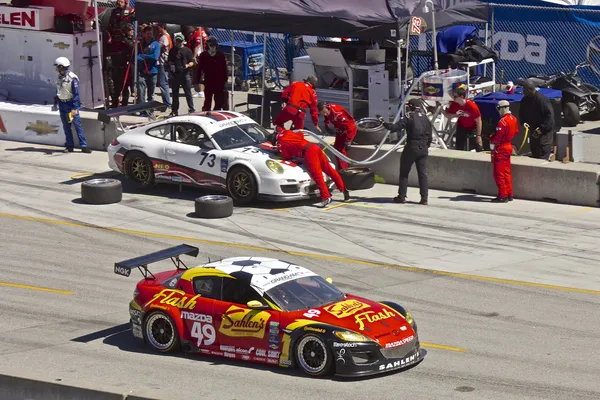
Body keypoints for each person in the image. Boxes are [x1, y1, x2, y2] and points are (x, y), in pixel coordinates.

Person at [273, 128, 349, 207]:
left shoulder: (281, 142)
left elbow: (287, 156)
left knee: (317, 175)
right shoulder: (287, 132)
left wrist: (280, 151)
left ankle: (326, 197)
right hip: (314, 147)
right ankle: (343, 189)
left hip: (308, 152)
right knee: (329, 169)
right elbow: (298, 135)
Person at [382, 98, 432, 204]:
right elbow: (430, 136)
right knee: (423, 174)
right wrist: (425, 146)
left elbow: (394, 127)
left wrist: (383, 122)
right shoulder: (425, 118)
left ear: (410, 107)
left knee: (404, 173)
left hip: (411, 147)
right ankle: (424, 198)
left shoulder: (409, 116)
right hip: (423, 148)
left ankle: (402, 197)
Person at [51, 57, 90, 154]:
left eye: (57, 67)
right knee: (66, 126)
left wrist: (74, 108)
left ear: (61, 66)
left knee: (77, 125)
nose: (56, 69)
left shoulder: (73, 78)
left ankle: (84, 146)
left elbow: (76, 94)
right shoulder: (59, 77)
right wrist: (55, 103)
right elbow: (58, 91)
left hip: (71, 104)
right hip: (62, 103)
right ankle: (69, 146)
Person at [489, 100, 519, 203]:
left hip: (501, 148)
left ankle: (503, 195)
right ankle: (509, 193)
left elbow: (497, 138)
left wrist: (490, 138)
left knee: (499, 174)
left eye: (498, 109)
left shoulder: (502, 122)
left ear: (502, 108)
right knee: (507, 172)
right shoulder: (513, 119)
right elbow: (516, 131)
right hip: (508, 146)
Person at [520, 79, 555, 160]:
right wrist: (523, 122)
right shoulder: (525, 100)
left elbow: (549, 116)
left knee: (543, 150)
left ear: (530, 90)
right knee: (534, 150)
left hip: (544, 131)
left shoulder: (541, 100)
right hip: (533, 129)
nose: (523, 92)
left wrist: (541, 128)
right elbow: (522, 112)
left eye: (525, 90)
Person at [318, 102, 356, 170]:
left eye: (325, 112)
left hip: (347, 130)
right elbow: (327, 117)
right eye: (323, 113)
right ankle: (341, 168)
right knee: (337, 149)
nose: (325, 114)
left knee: (340, 150)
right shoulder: (327, 110)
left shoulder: (338, 114)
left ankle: (344, 169)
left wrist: (348, 140)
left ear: (327, 108)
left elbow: (351, 126)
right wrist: (327, 126)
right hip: (339, 129)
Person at [443, 85, 482, 151]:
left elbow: (479, 121)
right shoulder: (455, 104)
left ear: (461, 97)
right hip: (461, 127)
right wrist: (441, 109)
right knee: (459, 148)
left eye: (455, 96)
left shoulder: (472, 106)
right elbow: (449, 116)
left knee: (474, 148)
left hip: (472, 128)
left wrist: (478, 136)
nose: (453, 98)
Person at [196, 37, 228, 111]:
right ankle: (207, 113)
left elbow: (224, 68)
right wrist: (197, 80)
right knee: (208, 100)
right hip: (208, 80)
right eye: (211, 45)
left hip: (219, 81)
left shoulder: (220, 55)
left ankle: (216, 113)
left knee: (218, 101)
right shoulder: (203, 55)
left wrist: (225, 80)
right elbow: (199, 68)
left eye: (214, 45)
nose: (212, 47)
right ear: (208, 45)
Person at [168, 33, 196, 116]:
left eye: (180, 41)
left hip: (185, 74)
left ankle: (192, 110)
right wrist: (171, 65)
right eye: (177, 41)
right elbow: (169, 60)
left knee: (188, 93)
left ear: (183, 41)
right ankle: (174, 111)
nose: (178, 42)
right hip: (175, 75)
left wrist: (188, 65)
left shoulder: (187, 50)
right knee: (175, 94)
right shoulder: (172, 50)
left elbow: (192, 62)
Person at [108, 22, 134, 108]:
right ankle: (115, 103)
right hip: (115, 67)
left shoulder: (127, 43)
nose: (117, 37)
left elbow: (131, 52)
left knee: (125, 86)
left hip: (125, 67)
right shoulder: (113, 44)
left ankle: (124, 103)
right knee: (116, 86)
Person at [137, 26, 160, 117]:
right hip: (142, 71)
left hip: (153, 71)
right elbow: (137, 57)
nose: (149, 35)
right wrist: (144, 56)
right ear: (144, 34)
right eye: (147, 33)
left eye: (150, 33)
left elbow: (155, 57)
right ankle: (142, 111)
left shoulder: (156, 44)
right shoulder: (140, 44)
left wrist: (144, 56)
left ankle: (150, 111)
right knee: (141, 92)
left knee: (151, 93)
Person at [187, 26, 207, 98]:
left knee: (199, 74)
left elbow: (197, 46)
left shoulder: (198, 33)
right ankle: (201, 91)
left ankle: (201, 92)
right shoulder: (203, 31)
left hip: (199, 57)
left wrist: (194, 57)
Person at [156, 24, 173, 113]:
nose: (157, 28)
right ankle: (166, 103)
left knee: (163, 84)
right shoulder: (168, 36)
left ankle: (167, 104)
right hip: (164, 62)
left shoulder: (164, 37)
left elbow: (158, 47)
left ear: (162, 27)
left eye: (158, 27)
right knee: (163, 83)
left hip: (163, 62)